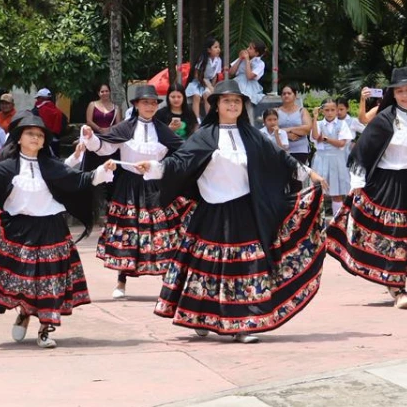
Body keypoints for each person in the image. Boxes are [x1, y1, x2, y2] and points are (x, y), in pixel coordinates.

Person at [137, 80, 328, 342]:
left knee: (246, 267)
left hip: (245, 209)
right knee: (208, 267)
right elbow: (180, 162)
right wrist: (155, 167)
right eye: (227, 100)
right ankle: (199, 316)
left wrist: (308, 173)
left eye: (237, 101)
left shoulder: (251, 136)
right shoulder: (204, 136)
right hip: (212, 211)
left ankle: (242, 323)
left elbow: (278, 159)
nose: (232, 105)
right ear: (216, 105)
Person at [0, 113, 115, 348]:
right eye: (31, 134)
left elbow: (78, 179)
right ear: (19, 138)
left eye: (40, 135)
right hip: (20, 230)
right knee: (26, 281)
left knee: (51, 281)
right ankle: (25, 312)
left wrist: (103, 170)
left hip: (52, 228)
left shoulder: (49, 166)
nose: (36, 138)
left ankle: (45, 329)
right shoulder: (8, 166)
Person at [327, 66, 407, 310]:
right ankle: (397, 288)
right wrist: (358, 185)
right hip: (389, 183)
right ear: (393, 94)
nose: (405, 95)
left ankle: (400, 280)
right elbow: (362, 152)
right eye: (400, 91)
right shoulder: (385, 118)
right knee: (394, 236)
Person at [80, 84, 185, 299]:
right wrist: (90, 138)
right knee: (128, 231)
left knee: (162, 231)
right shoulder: (125, 128)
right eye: (145, 102)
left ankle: (167, 283)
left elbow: (183, 152)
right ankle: (121, 281)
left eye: (154, 102)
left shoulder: (163, 131)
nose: (150, 106)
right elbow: (105, 147)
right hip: (129, 185)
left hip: (155, 184)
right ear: (136, 105)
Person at [311, 99, 354, 220]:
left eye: (332, 110)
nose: (330, 113)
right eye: (326, 110)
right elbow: (315, 136)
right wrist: (314, 118)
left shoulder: (342, 124)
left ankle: (337, 220)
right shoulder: (319, 124)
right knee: (319, 191)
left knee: (337, 192)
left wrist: (325, 139)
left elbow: (341, 143)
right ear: (322, 111)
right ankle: (316, 221)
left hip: (336, 159)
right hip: (321, 158)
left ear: (336, 110)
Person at [228, 40, 268, 123]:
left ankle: (249, 123)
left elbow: (249, 76)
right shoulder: (242, 58)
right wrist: (239, 59)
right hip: (238, 82)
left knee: (247, 101)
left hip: (250, 85)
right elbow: (231, 73)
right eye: (248, 47)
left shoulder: (260, 63)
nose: (247, 49)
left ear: (256, 53)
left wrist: (246, 60)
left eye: (250, 48)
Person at [187, 37, 223, 118]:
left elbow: (215, 76)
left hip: (208, 82)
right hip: (198, 82)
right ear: (209, 50)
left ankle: (208, 117)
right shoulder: (203, 59)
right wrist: (204, 82)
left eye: (219, 47)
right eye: (215, 47)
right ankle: (196, 119)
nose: (218, 49)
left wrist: (212, 87)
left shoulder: (219, 60)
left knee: (208, 95)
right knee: (196, 96)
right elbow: (196, 74)